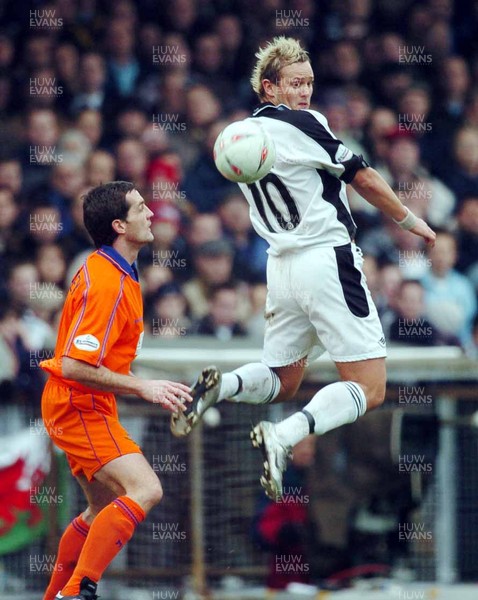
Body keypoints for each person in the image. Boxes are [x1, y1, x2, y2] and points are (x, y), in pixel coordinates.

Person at [170, 37, 436, 500]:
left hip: (282, 267)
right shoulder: (303, 123)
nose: (306, 92)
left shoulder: (241, 136)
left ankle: (218, 388)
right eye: (296, 83)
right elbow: (364, 176)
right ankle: (285, 436)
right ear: (268, 88)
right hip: (327, 259)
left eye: (310, 82)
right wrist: (410, 220)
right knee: (370, 388)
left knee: (284, 379)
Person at [39, 181, 193, 600]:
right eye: (142, 208)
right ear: (120, 225)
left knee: (101, 508)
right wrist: (143, 387)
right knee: (147, 489)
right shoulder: (105, 281)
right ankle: (78, 591)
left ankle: (56, 595)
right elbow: (74, 364)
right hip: (79, 405)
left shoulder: (117, 271)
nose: (152, 214)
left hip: (85, 404)